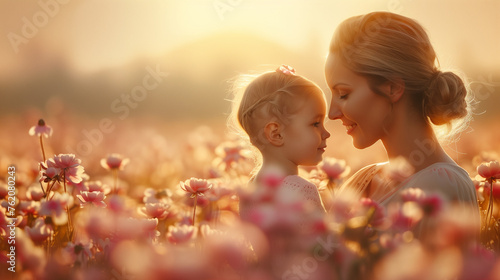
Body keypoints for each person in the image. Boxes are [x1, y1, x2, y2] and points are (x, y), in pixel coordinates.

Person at [325, 12, 479, 222]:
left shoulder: (442, 186)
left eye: (343, 94)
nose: (332, 113)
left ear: (393, 88)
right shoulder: (363, 180)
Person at [229, 65, 330, 214]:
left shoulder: (250, 190)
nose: (326, 133)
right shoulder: (302, 190)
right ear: (276, 134)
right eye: (315, 124)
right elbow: (324, 237)